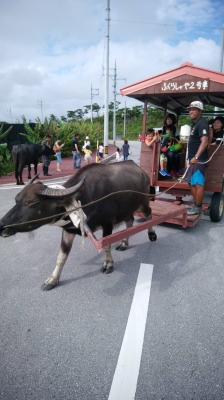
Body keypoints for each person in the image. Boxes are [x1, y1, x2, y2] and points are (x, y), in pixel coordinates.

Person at [185, 101, 209, 215]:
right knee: (191, 182)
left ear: (200, 111)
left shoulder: (202, 123)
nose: (191, 111)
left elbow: (204, 142)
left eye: (194, 109)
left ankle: (198, 207)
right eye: (190, 109)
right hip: (193, 161)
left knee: (198, 183)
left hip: (199, 160)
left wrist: (196, 156)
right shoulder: (196, 124)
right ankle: (196, 205)